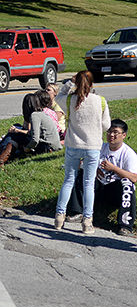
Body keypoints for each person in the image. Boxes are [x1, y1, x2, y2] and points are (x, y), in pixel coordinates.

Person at [54, 70, 111, 234]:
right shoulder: (100, 101)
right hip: (92, 147)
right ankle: (87, 221)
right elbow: (106, 125)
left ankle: (59, 216)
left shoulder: (70, 99)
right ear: (92, 84)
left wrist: (69, 83)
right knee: (88, 184)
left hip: (73, 145)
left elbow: (58, 96)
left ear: (77, 83)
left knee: (68, 181)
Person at [66, 119, 137, 235]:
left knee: (128, 184)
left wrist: (113, 168)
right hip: (97, 187)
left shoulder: (129, 154)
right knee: (82, 173)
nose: (111, 135)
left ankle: (125, 225)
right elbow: (81, 163)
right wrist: (94, 168)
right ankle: (78, 212)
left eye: (115, 132)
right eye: (109, 132)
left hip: (114, 190)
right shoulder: (100, 148)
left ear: (123, 135)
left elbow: (134, 177)